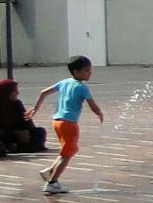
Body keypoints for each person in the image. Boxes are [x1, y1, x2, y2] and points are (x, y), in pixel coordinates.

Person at [29, 56, 103, 195]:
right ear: (76, 71)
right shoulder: (82, 87)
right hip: (69, 123)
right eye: (87, 70)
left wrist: (35, 108)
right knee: (67, 153)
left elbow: (43, 92)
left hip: (57, 121)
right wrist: (99, 113)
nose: (90, 73)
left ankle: (50, 171)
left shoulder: (64, 82)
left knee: (68, 150)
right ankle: (52, 183)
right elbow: (92, 105)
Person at [0, 78, 46, 153]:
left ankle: (19, 148)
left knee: (40, 131)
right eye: (14, 91)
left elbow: (25, 120)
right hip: (3, 135)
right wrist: (15, 132)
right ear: (6, 92)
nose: (17, 93)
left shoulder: (17, 103)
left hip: (18, 136)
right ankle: (16, 148)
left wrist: (26, 132)